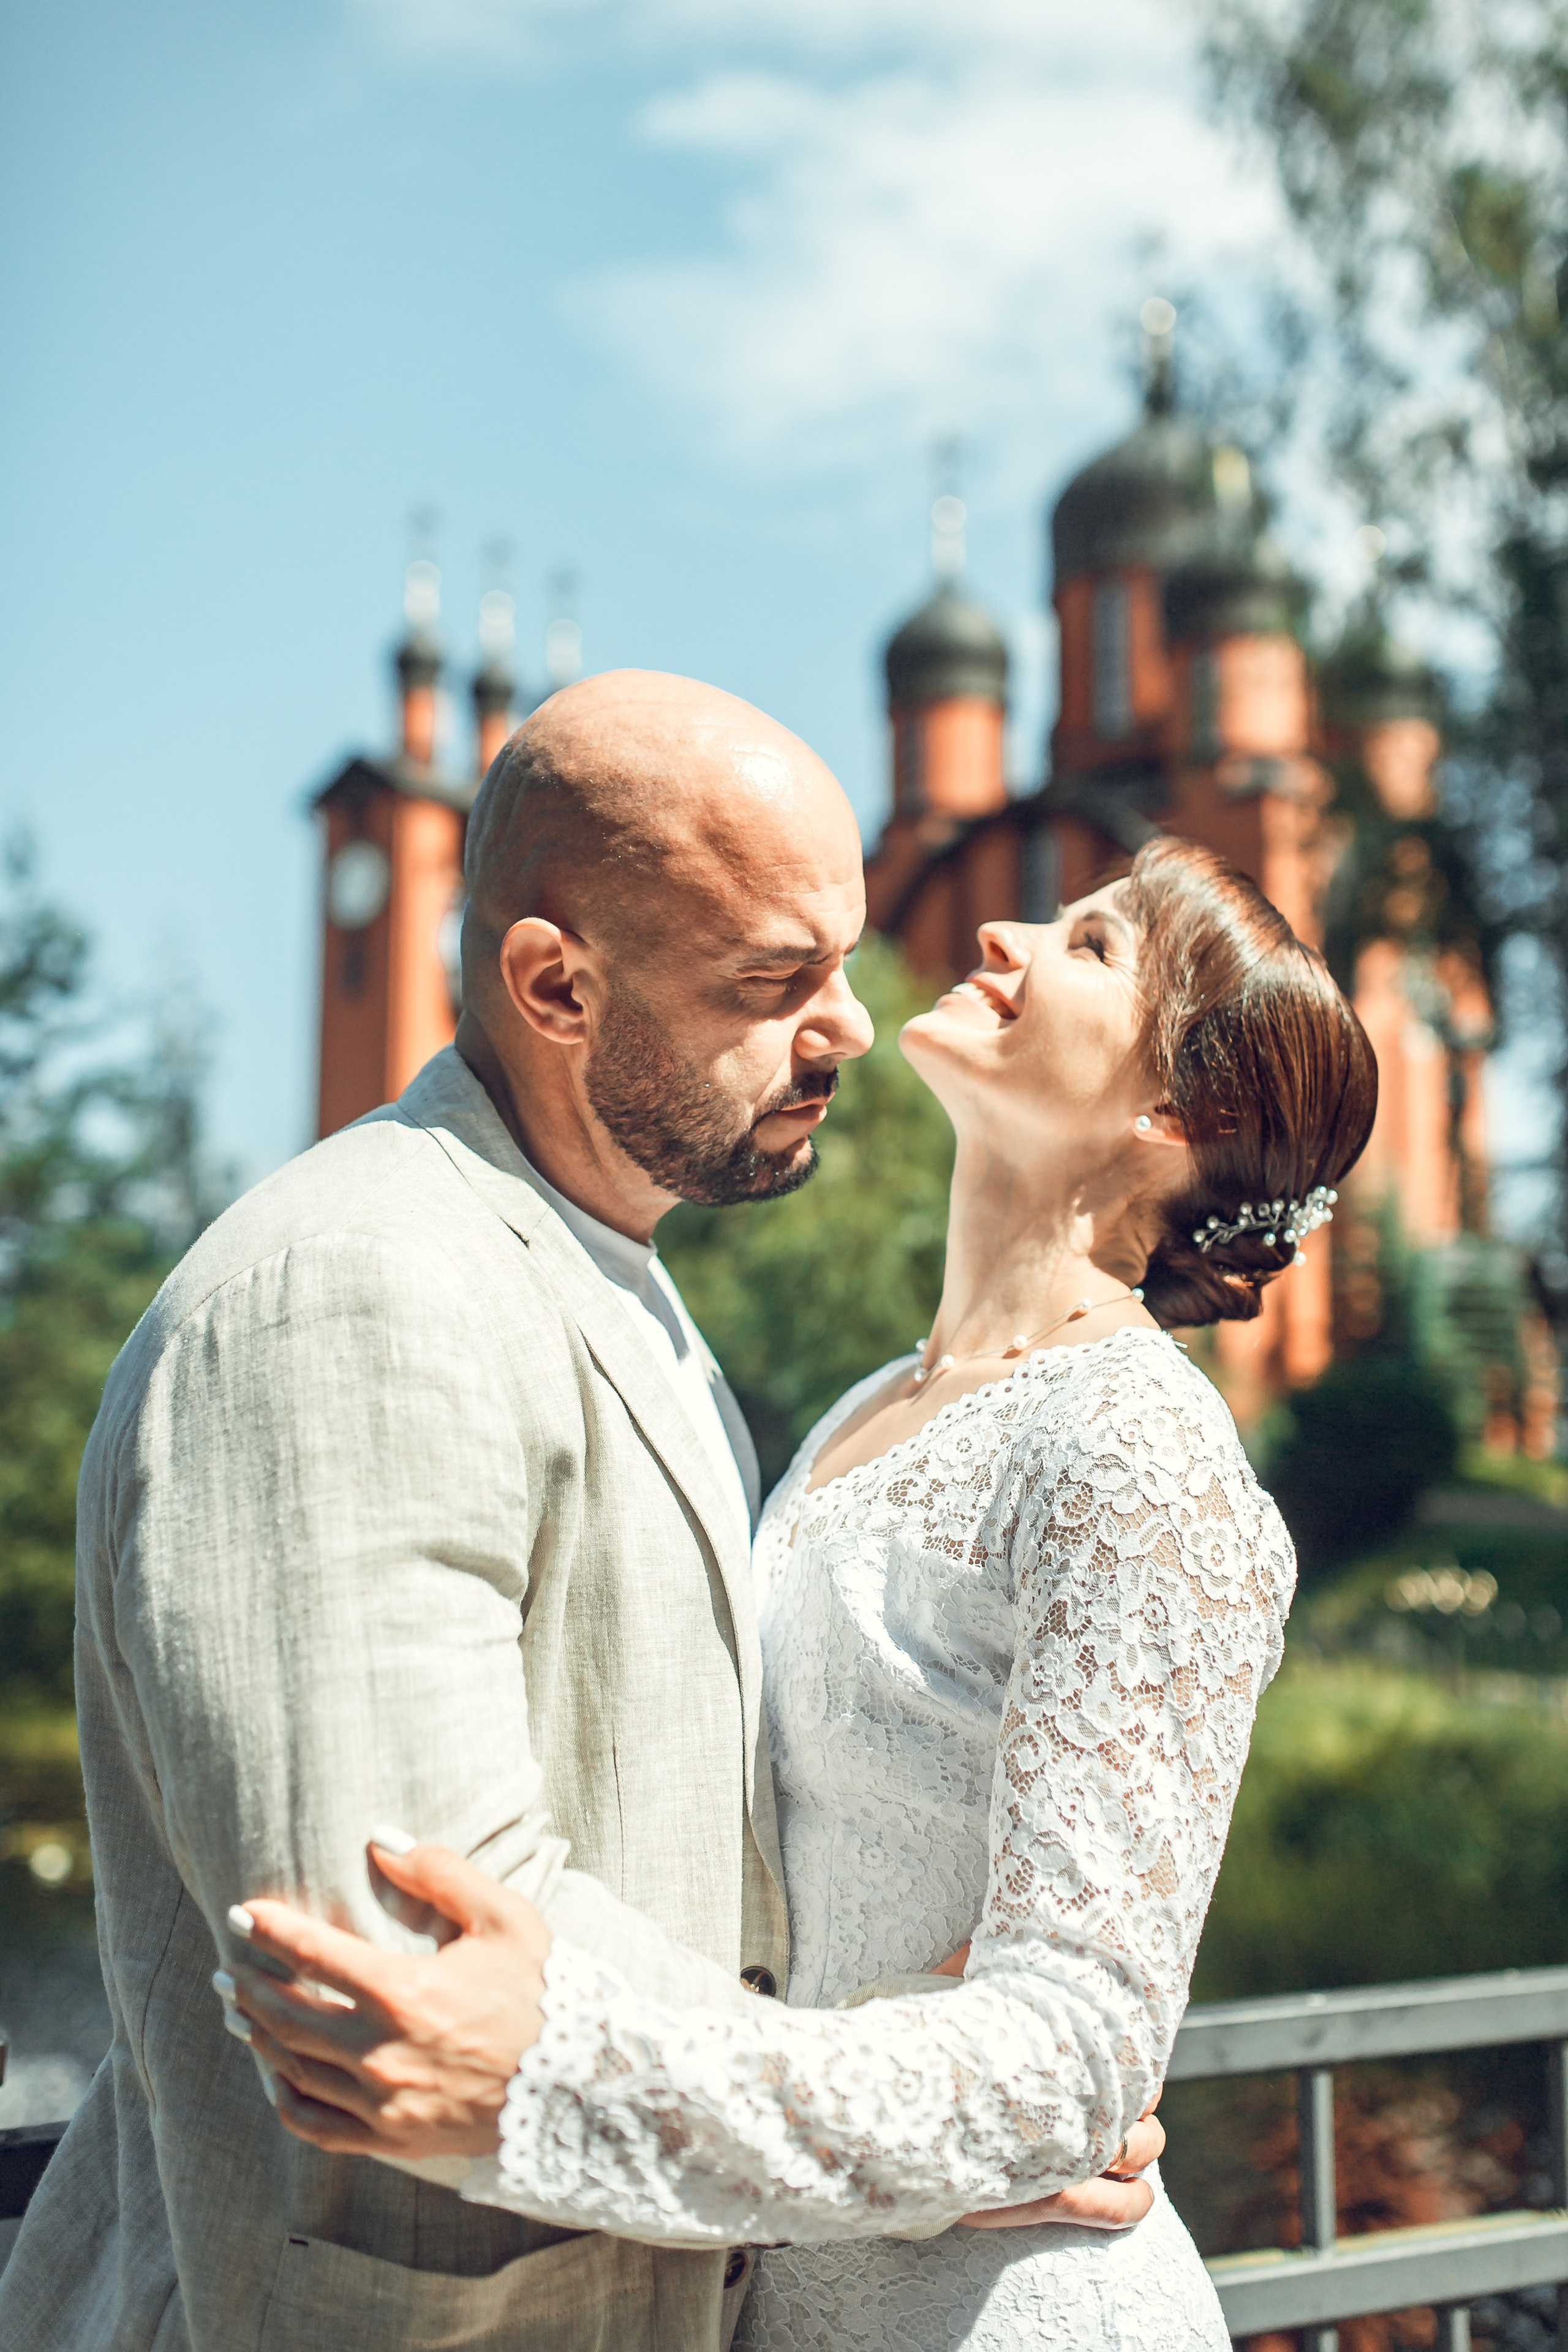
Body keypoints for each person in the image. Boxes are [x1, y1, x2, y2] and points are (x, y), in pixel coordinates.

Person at [0, 670, 1153, 2352]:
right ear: (555, 984)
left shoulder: (621, 1291)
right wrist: (924, 2132)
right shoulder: (355, 1294)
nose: (846, 1026)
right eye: (775, 980)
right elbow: (405, 1969)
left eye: (839, 962)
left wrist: (941, 2084)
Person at [219, 834, 1379, 2350]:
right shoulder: (856, 1411)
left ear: (1176, 1112)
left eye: (1090, 946)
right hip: (794, 2298)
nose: (1002, 932)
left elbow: (1073, 2061)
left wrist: (559, 2074)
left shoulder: (1139, 1448)